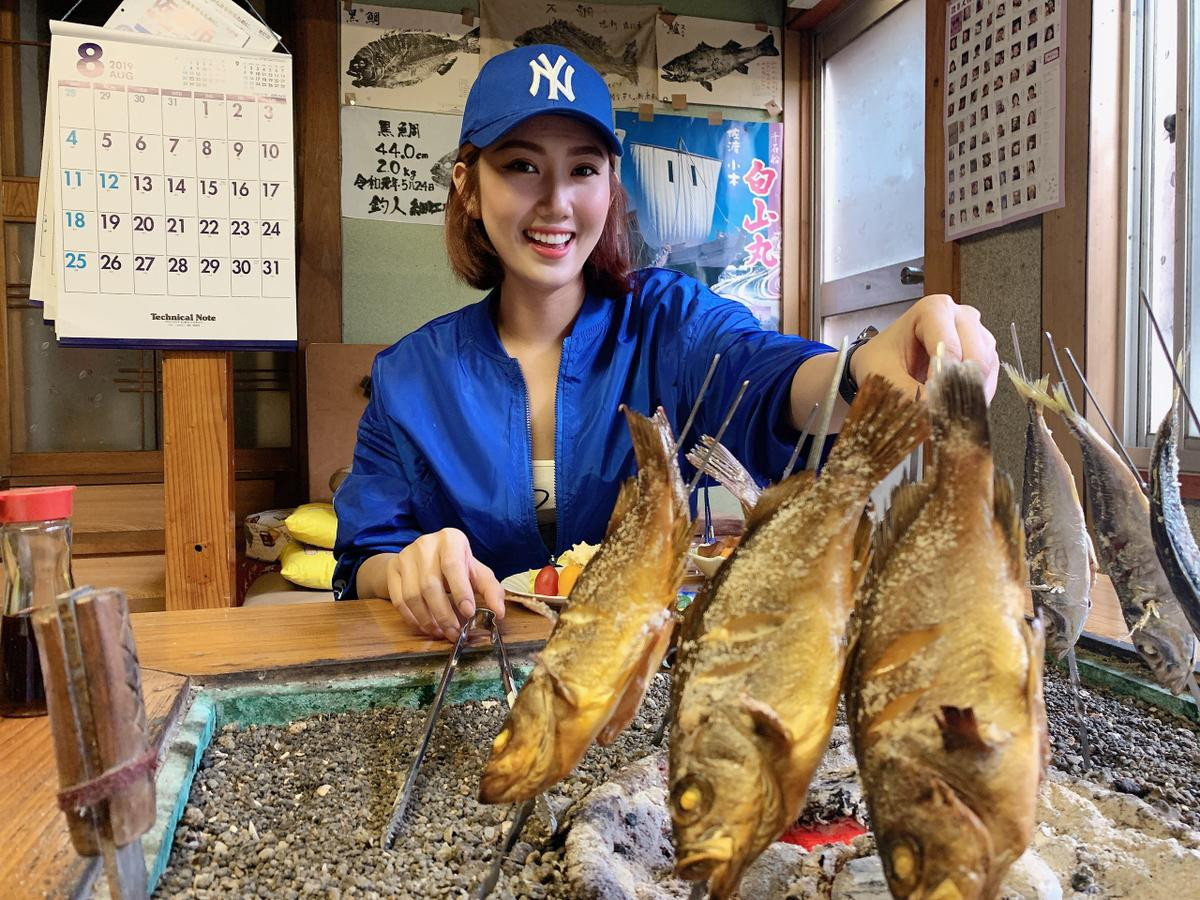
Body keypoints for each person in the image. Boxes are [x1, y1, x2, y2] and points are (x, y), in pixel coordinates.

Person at [332, 45, 1000, 639]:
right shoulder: (411, 375)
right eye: (521, 166)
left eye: (584, 169)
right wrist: (404, 570)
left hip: (638, 673)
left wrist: (862, 371)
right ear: (468, 187)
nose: (558, 201)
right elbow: (363, 559)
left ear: (610, 187)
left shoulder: (666, 319)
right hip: (468, 673)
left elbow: (759, 373)